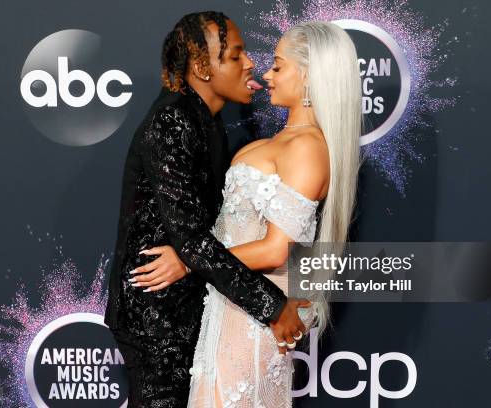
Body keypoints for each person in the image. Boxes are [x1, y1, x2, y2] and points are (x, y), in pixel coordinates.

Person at [133, 21, 362, 407]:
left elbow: (276, 250)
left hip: (254, 316)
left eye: (278, 65)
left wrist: (189, 261)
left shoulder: (307, 148)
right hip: (229, 306)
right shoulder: (277, 143)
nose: (267, 75)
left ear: (308, 77)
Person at [103, 11, 312, 408]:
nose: (251, 63)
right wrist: (272, 305)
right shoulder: (172, 122)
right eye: (235, 55)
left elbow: (200, 237)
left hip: (184, 309)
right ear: (202, 66)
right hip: (157, 317)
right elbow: (193, 240)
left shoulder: (205, 122)